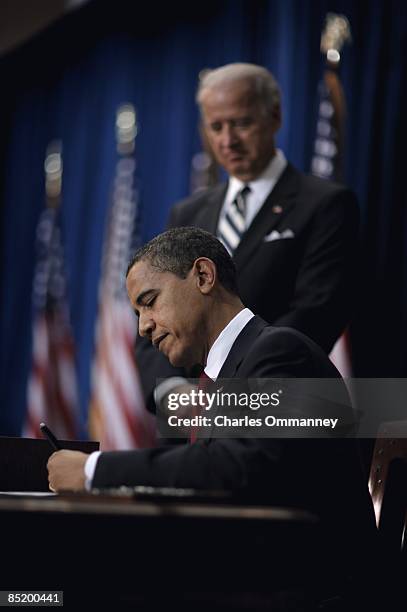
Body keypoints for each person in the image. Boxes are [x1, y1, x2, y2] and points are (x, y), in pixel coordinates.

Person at [136, 62, 359, 412]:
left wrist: (227, 392)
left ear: (274, 117)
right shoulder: (187, 213)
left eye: (241, 123)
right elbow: (157, 310)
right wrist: (172, 392)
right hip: (188, 427)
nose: (228, 140)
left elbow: (316, 315)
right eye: (216, 127)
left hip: (271, 409)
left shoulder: (326, 204)